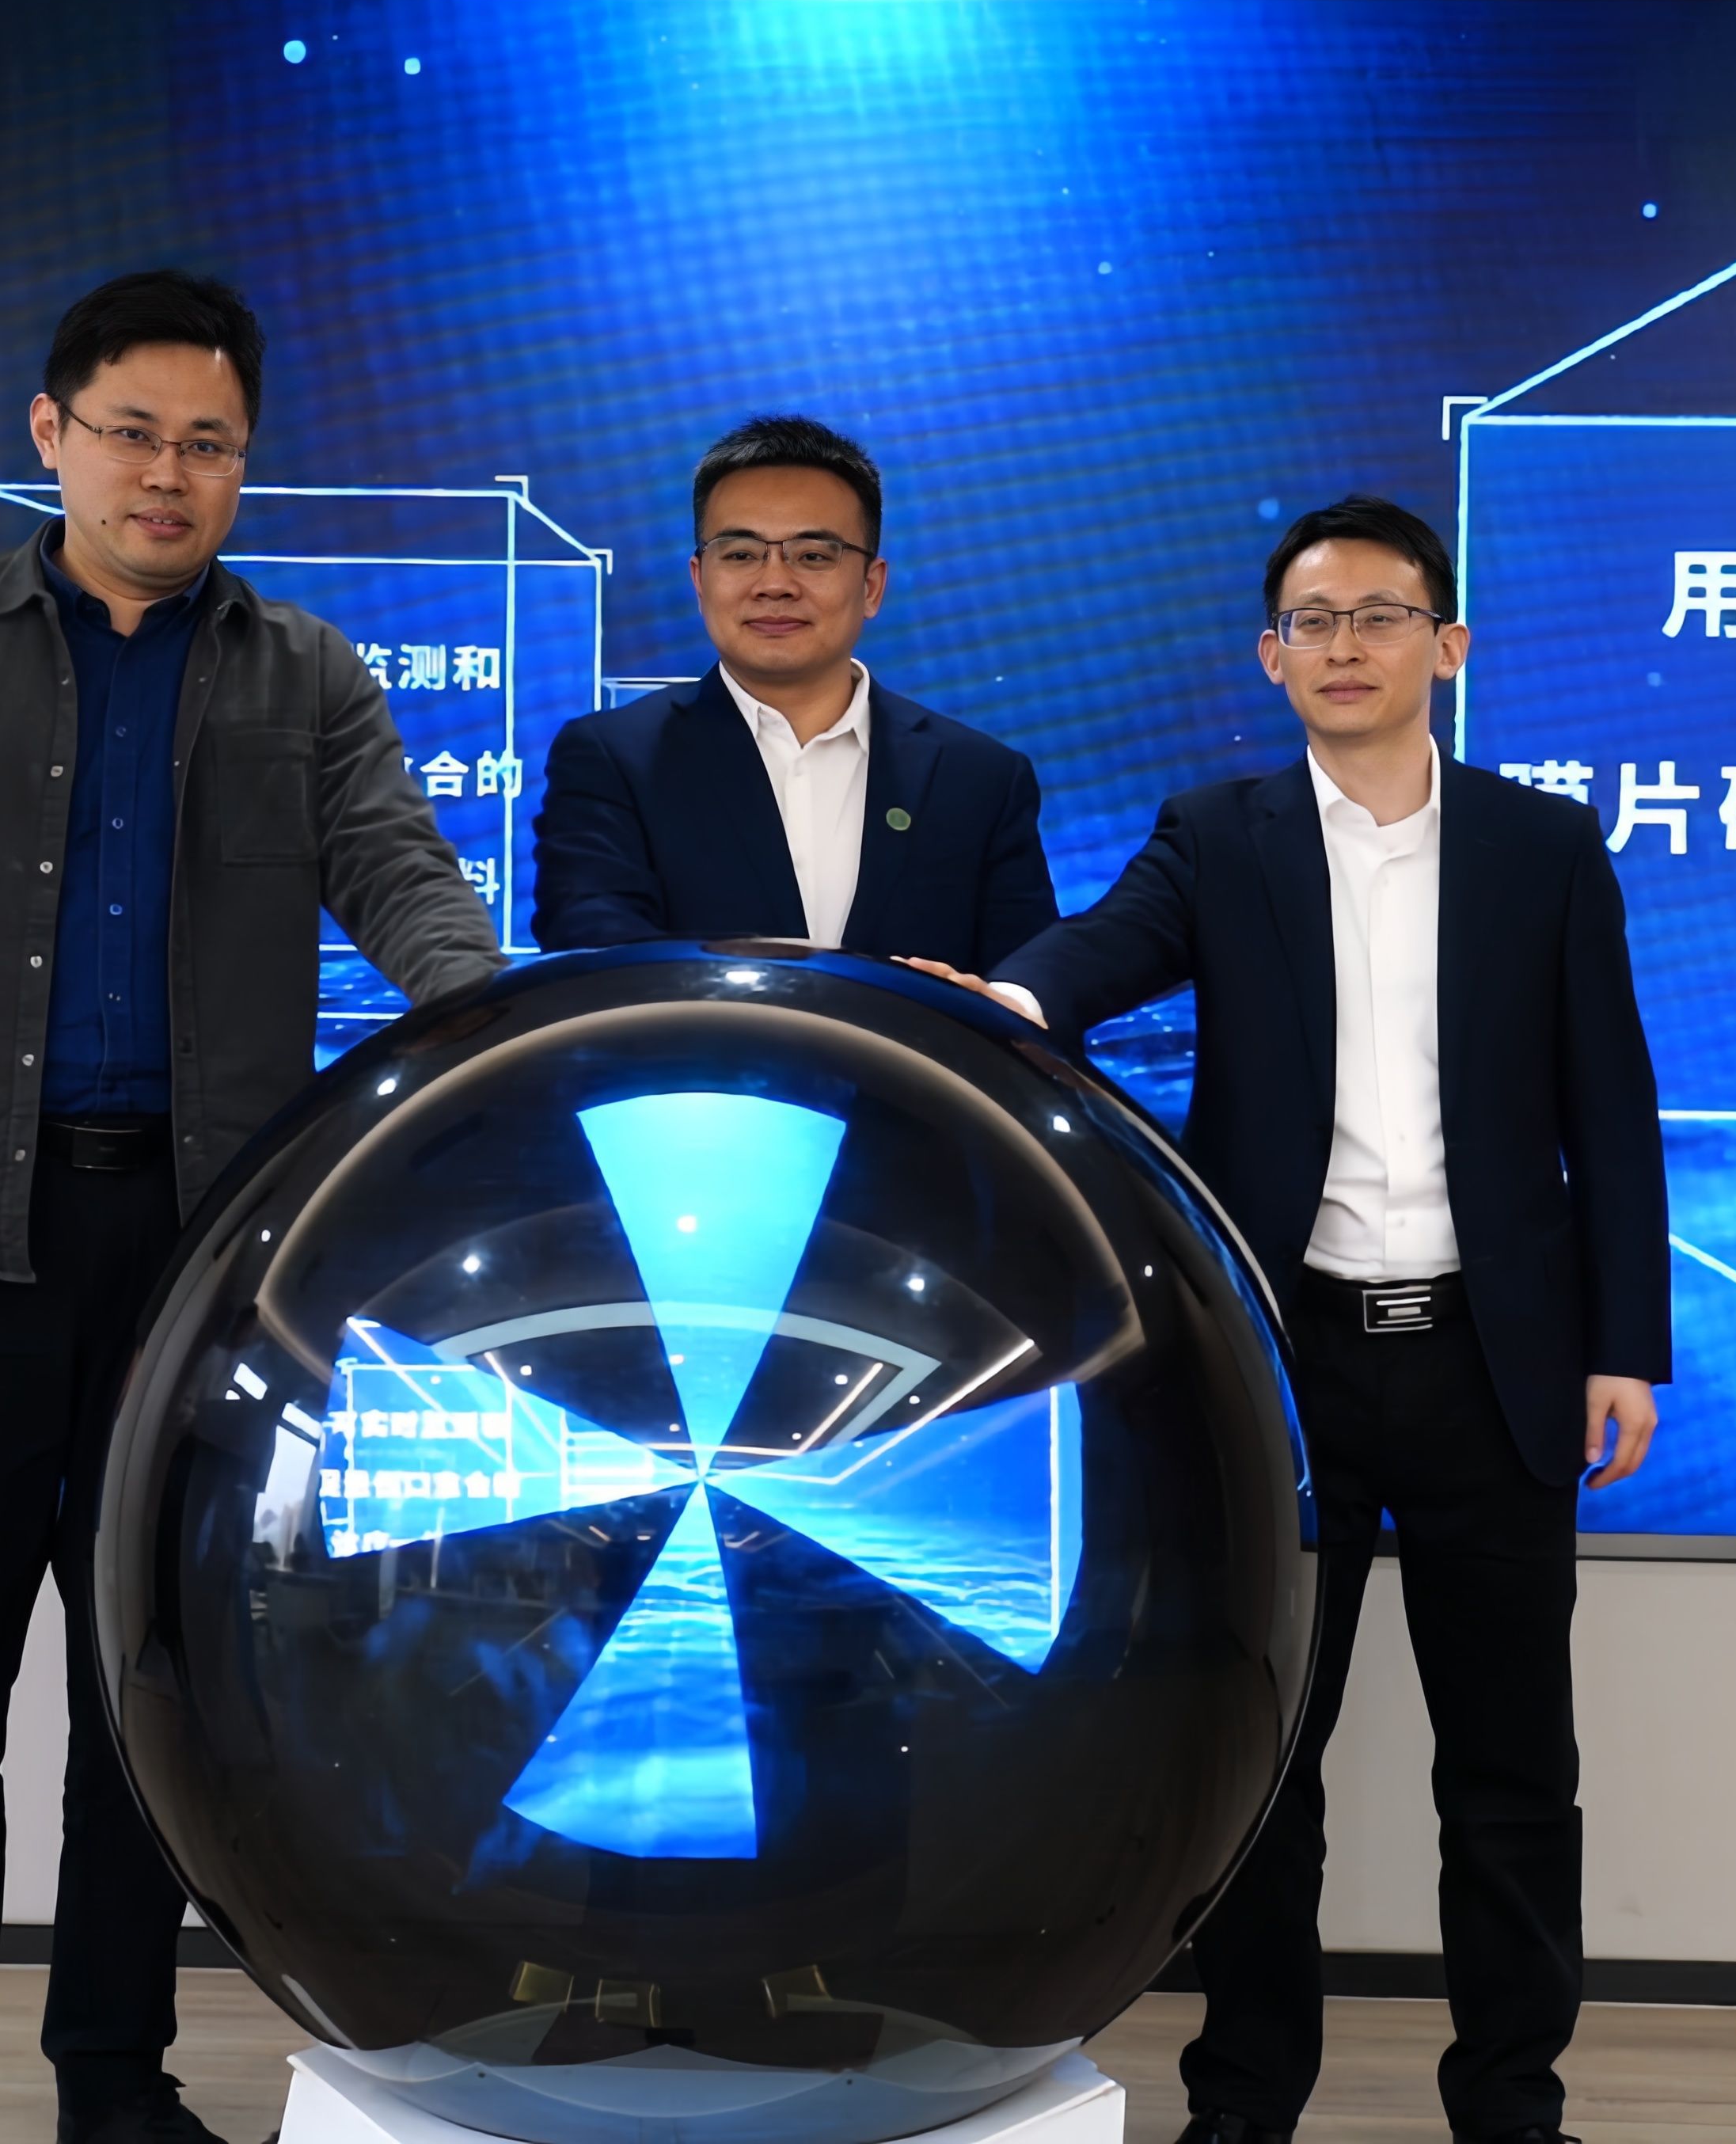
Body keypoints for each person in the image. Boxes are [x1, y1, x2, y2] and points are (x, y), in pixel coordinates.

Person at [0, 270, 505, 2144]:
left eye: (210, 445)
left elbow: (398, 874)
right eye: (134, 435)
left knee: (142, 1703)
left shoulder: (303, 675)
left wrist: (491, 1020)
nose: (169, 475)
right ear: (50, 433)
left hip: (193, 1266)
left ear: (245, 464)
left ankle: (112, 2085)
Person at [920, 494, 1667, 2144]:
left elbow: (1609, 1110)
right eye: (1311, 623)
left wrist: (1626, 1346)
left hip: (1496, 1366)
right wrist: (1010, 998)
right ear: (1272, 658)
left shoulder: (1543, 846)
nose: (1344, 647)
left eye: (1379, 616)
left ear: (1445, 646)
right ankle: (1246, 2102)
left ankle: (1512, 2103)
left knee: (1511, 1774)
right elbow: (1098, 953)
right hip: (1282, 1364)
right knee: (1264, 1766)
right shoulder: (1219, 834)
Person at [531, 416, 1057, 967]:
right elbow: (598, 962)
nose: (775, 584)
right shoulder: (612, 759)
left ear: (872, 586)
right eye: (741, 555)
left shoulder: (979, 779)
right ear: (700, 579)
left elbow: (1020, 988)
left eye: (812, 556)